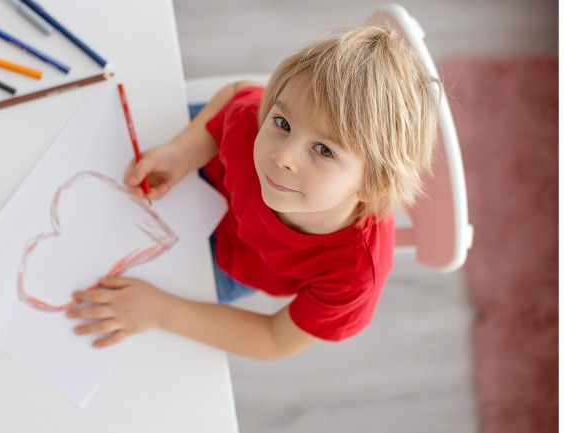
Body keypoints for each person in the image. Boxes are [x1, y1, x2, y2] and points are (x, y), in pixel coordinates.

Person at [66, 25, 440, 360]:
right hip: (209, 179)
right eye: (282, 122)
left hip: (241, 263)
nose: (282, 155)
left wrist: (160, 312)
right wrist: (181, 152)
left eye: (324, 150)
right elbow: (236, 93)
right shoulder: (251, 127)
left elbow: (274, 339)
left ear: (373, 183)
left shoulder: (357, 272)